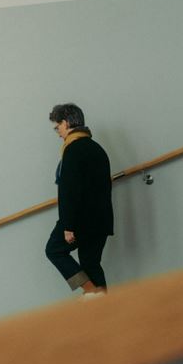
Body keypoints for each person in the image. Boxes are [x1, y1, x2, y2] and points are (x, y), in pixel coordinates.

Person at [44, 102, 114, 296]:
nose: (57, 132)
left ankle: (92, 291)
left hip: (81, 220)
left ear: (66, 123)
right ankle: (107, 308)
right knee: (91, 263)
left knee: (54, 250)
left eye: (57, 127)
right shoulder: (96, 148)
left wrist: (68, 225)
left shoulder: (73, 150)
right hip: (101, 220)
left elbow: (69, 190)